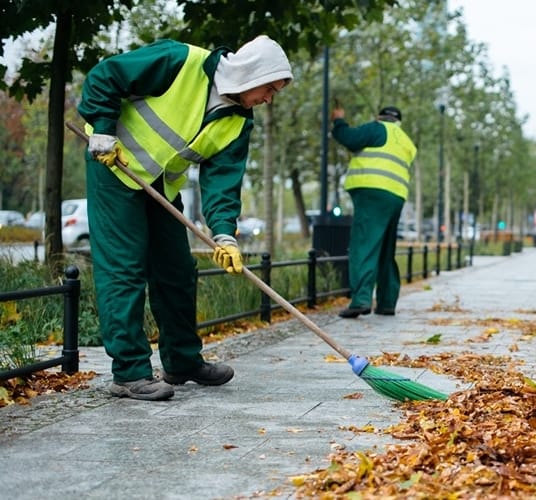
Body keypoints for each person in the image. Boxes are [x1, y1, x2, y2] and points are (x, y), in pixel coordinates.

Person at [78, 35, 293, 400]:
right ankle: (129, 373)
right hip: (114, 168)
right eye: (269, 89)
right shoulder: (180, 61)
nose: (269, 99)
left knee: (177, 269)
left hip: (160, 184)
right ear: (250, 75)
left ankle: (181, 361)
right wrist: (102, 130)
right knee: (124, 269)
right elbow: (106, 75)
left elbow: (223, 182)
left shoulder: (239, 122)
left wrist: (224, 234)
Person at [332, 105, 418, 319]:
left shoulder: (377, 128)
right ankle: (387, 302)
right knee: (385, 248)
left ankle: (361, 300)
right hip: (396, 196)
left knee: (364, 245)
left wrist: (339, 121)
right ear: (399, 120)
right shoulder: (407, 142)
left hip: (372, 192)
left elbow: (349, 138)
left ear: (380, 117)